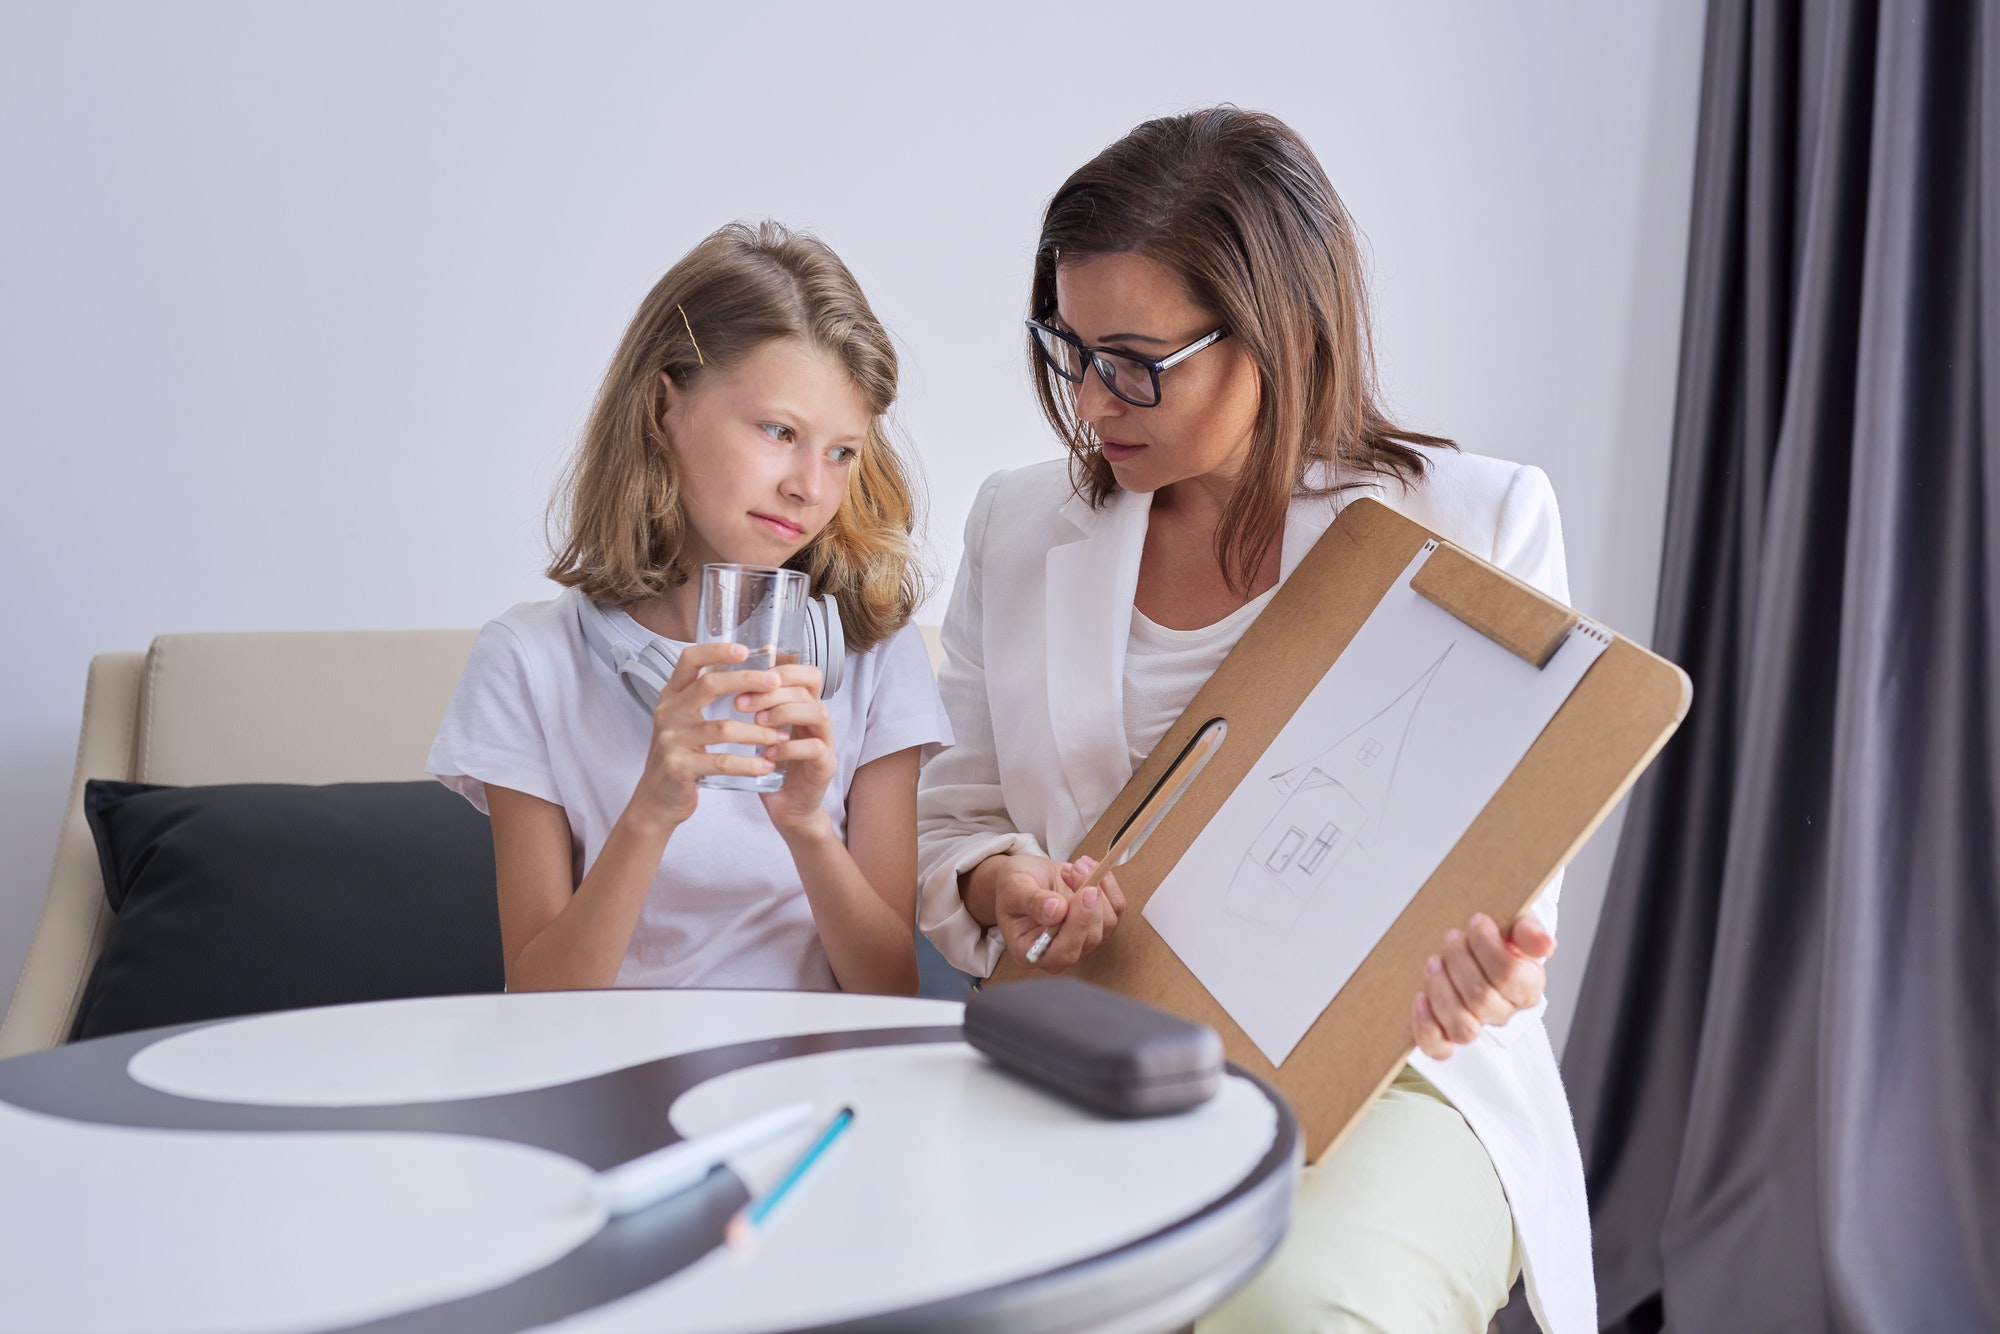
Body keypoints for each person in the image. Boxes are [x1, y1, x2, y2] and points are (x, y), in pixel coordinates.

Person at [916, 110, 1592, 1333]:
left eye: (1135, 360)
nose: (1090, 399)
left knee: (1292, 1310)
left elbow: (1507, 893)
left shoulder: (1473, 522)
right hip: (1101, 1052)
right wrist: (996, 880)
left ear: (1279, 335)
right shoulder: (1014, 527)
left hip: (1388, 1076)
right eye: (1066, 348)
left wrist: (1483, 972)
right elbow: (949, 811)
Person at [430, 221, 949, 996]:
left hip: (817, 1066)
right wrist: (651, 811)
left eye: (841, 451)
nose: (810, 487)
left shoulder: (873, 654)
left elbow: (891, 992)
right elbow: (536, 1004)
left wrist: (807, 827)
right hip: (612, 1066)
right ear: (662, 406)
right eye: (779, 431)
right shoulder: (528, 660)